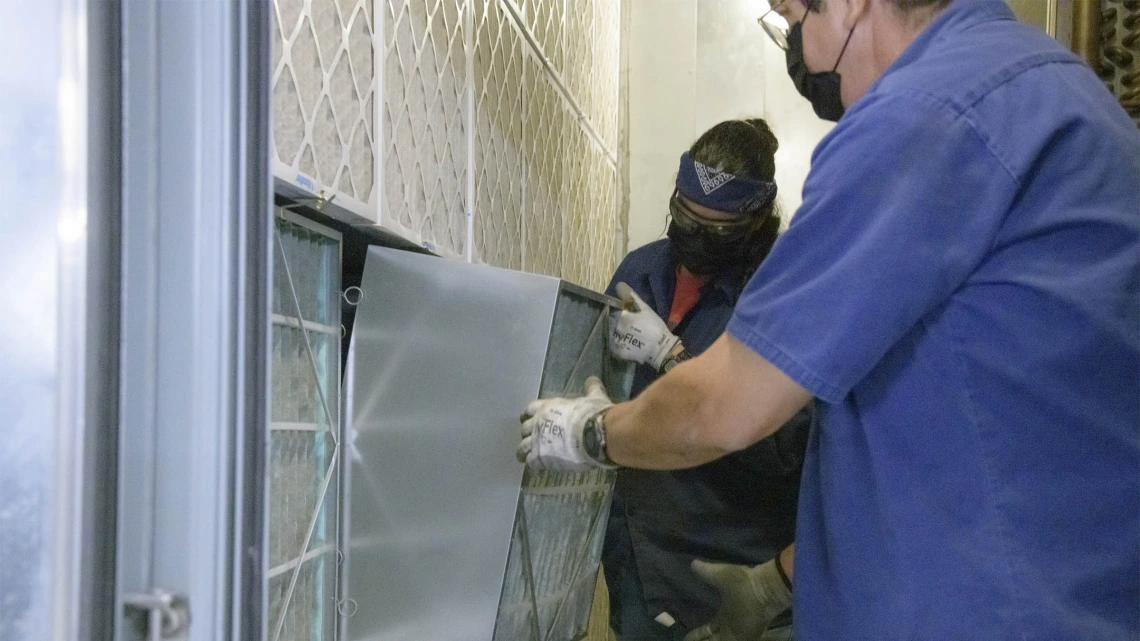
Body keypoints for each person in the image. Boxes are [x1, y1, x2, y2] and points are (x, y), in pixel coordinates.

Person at [519, 0, 1140, 639]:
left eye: (792, 19)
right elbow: (944, 424)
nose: (801, 54)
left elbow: (726, 406)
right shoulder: (1058, 94)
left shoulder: (925, 116)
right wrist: (784, 580)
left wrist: (591, 433)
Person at [601, 118, 810, 641]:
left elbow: (785, 445)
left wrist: (675, 356)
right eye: (684, 218)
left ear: (758, 218)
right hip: (640, 562)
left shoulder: (782, 293)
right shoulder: (641, 271)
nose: (693, 238)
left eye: (716, 230)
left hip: (731, 574)